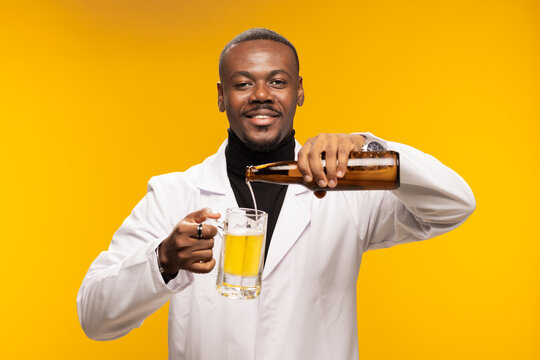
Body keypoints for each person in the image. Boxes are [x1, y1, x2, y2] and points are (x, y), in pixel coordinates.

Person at [77, 28, 475, 360]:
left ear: (299, 91)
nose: (261, 94)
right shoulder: (173, 194)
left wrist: (367, 150)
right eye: (243, 83)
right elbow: (95, 316)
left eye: (278, 81)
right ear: (221, 96)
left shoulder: (346, 187)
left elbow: (455, 204)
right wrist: (163, 260)